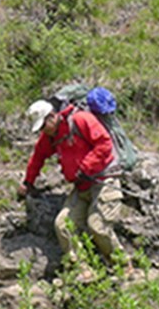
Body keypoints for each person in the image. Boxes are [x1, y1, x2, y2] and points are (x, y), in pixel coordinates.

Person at [17, 98, 133, 281]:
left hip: (103, 180)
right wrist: (28, 182)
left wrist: (86, 167)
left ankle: (122, 266)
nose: (42, 131)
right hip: (81, 186)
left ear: (52, 117)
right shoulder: (51, 136)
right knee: (63, 225)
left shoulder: (81, 120)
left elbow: (104, 143)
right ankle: (83, 270)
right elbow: (38, 156)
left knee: (98, 226)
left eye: (42, 126)